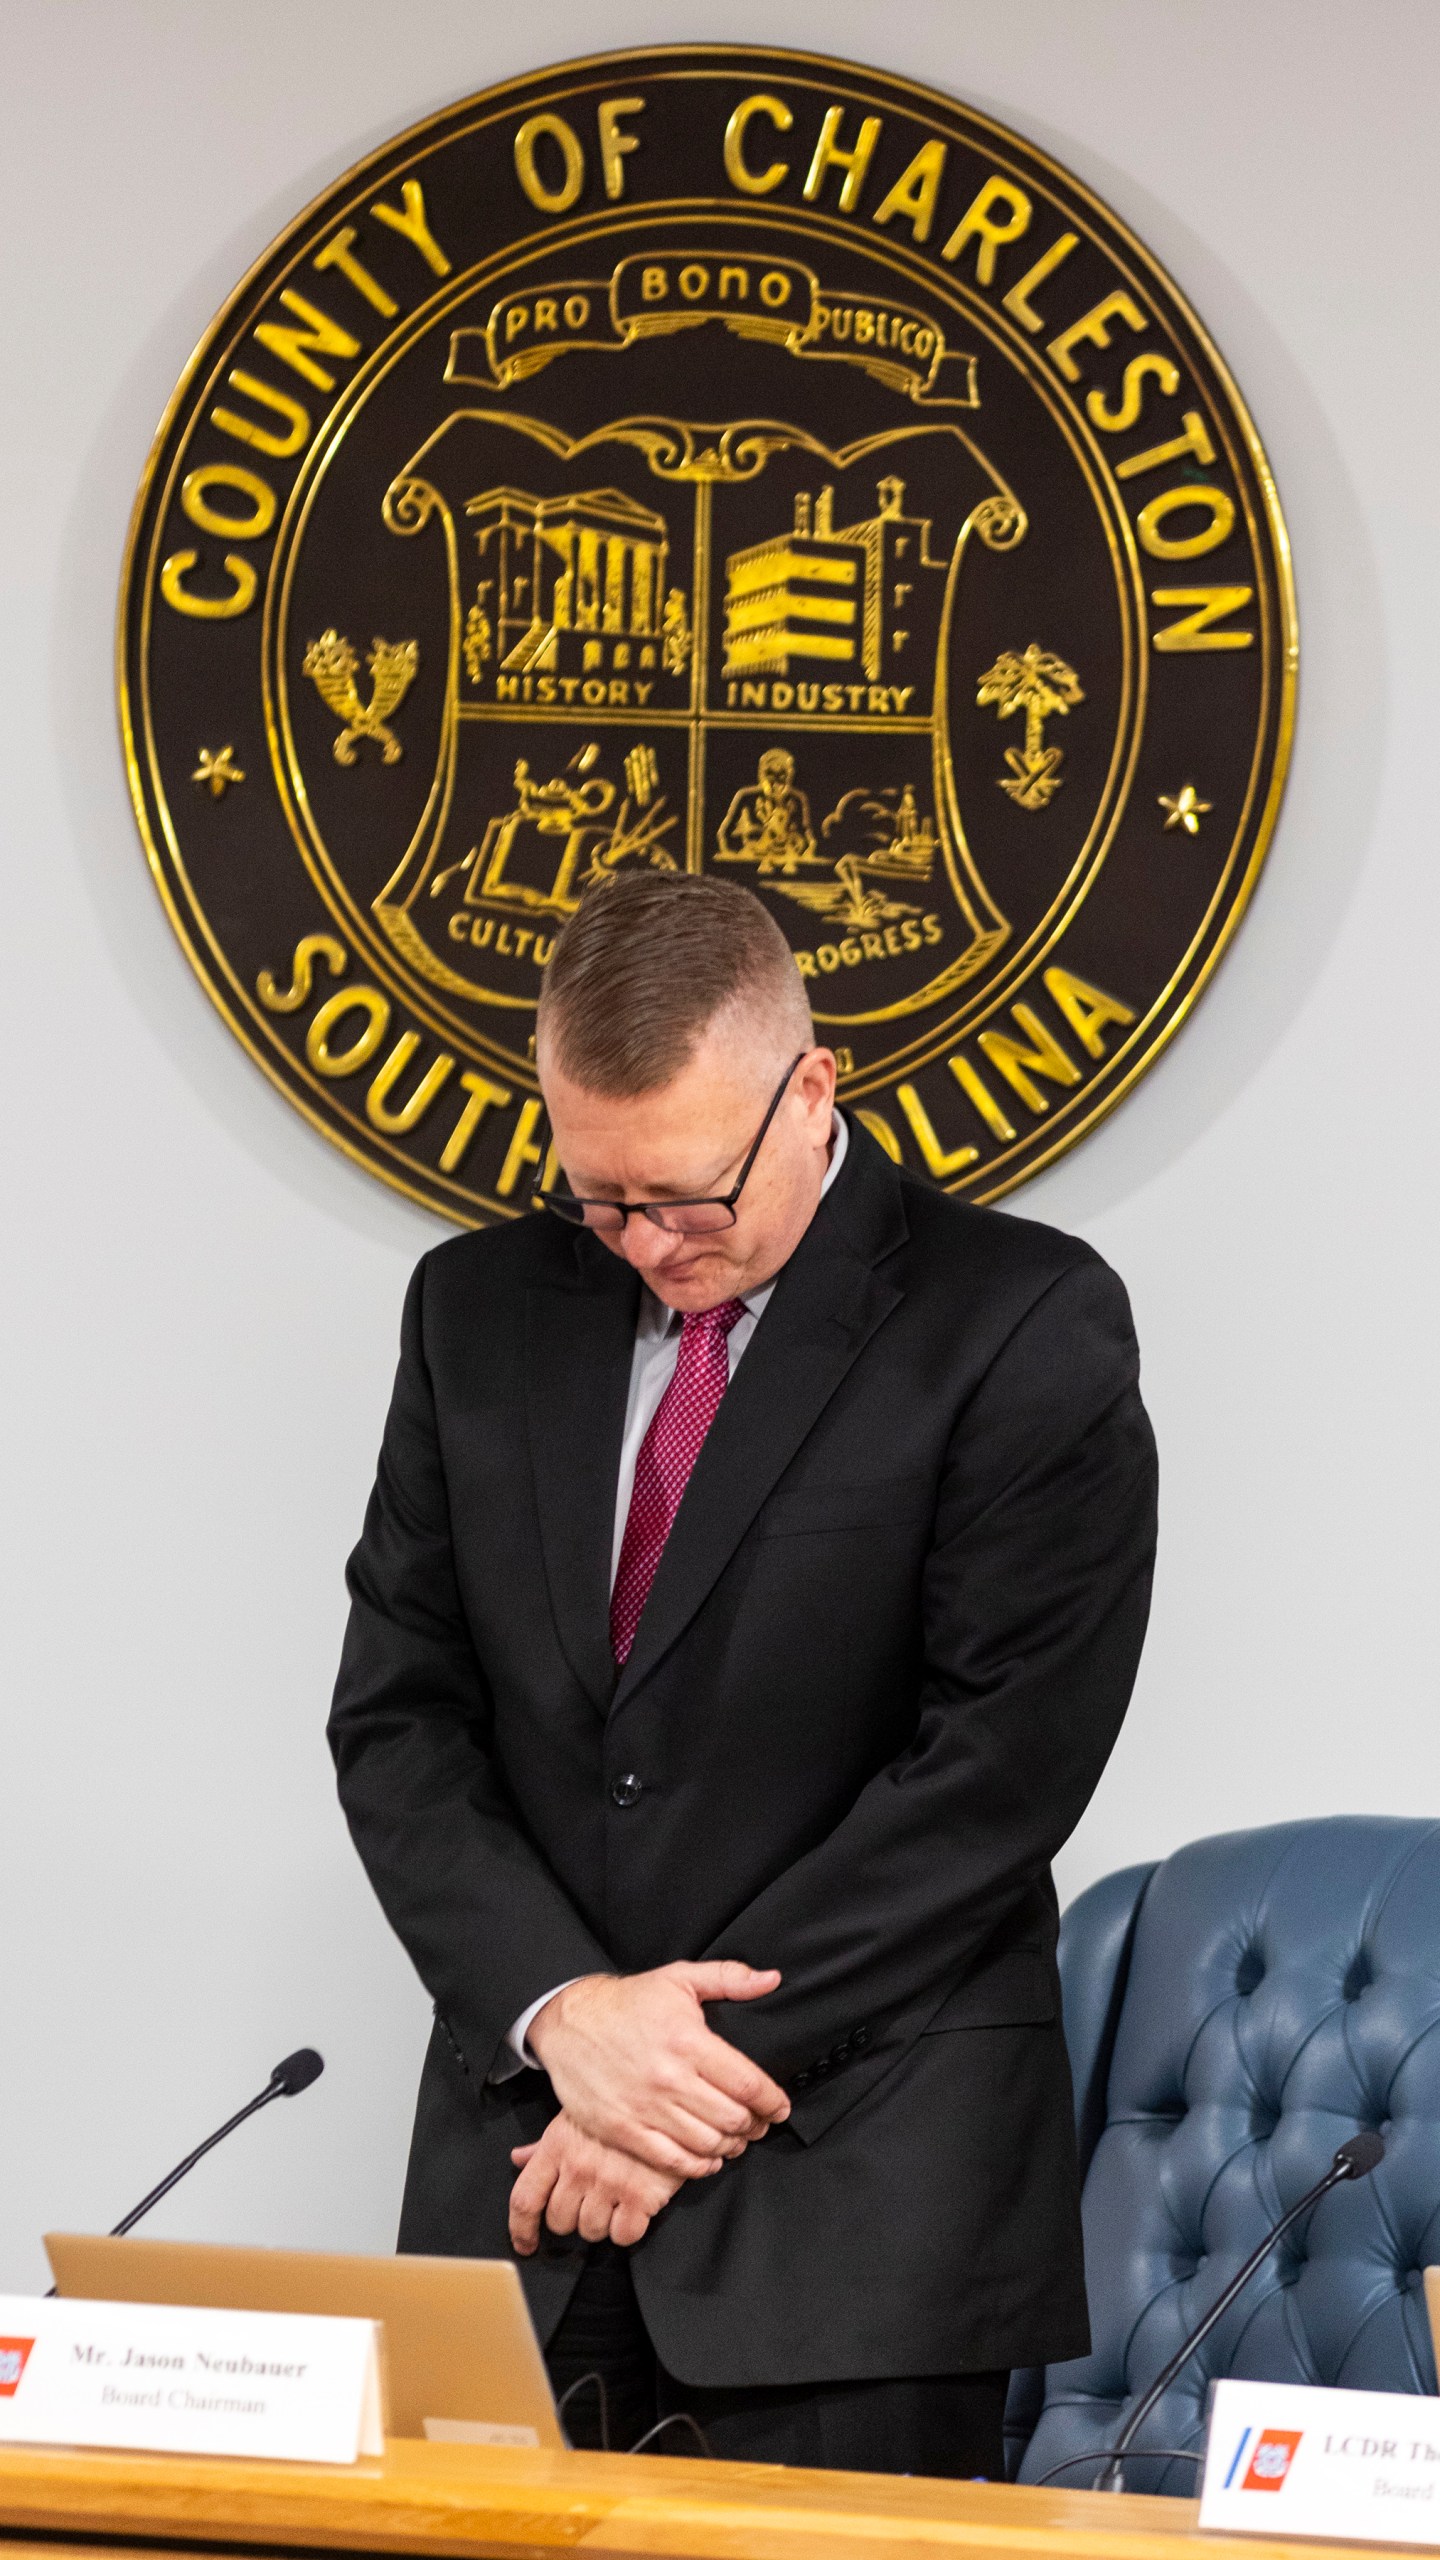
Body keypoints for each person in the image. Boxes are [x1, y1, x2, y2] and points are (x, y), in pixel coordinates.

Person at [328, 870, 1157, 2477]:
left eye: (689, 1198)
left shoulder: (1020, 1318)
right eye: (599, 1199)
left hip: (856, 2220)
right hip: (523, 2193)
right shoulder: (474, 1312)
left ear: (812, 1088)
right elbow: (399, 1718)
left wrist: (665, 2083)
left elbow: (993, 1770)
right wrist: (565, 2015)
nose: (646, 1244)